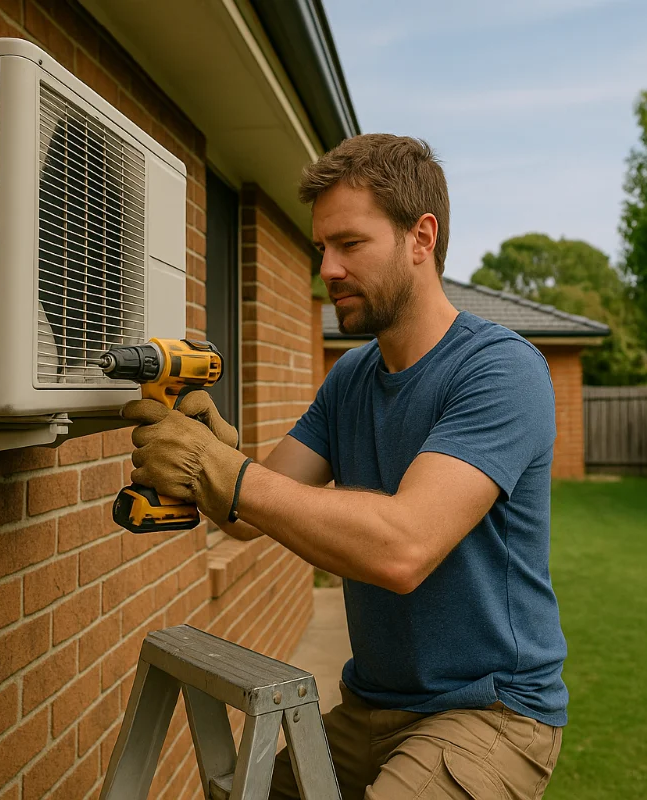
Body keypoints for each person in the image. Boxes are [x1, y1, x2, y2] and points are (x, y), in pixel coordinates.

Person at [121, 133, 566, 800]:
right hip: (369, 707)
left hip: (488, 714)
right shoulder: (352, 377)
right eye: (321, 248)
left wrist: (221, 472)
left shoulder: (500, 371)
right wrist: (210, 452)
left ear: (422, 238)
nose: (326, 269)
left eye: (349, 244)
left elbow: (404, 548)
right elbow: (251, 515)